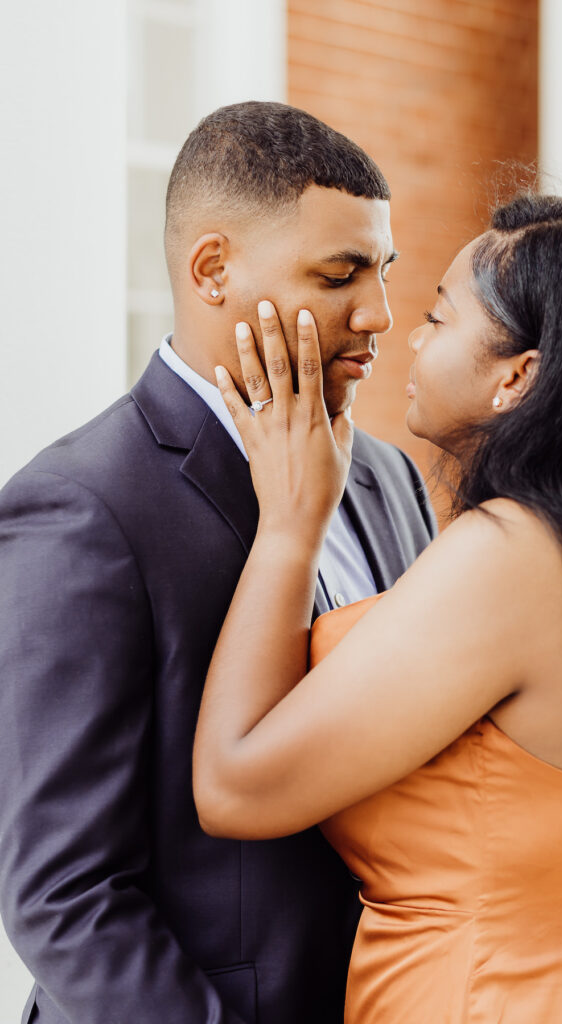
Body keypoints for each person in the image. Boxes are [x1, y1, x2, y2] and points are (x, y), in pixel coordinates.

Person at [193, 193, 562, 1023]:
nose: (405, 337)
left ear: (518, 375)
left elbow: (235, 787)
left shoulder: (514, 554)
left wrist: (288, 525)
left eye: (437, 316)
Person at [0, 102, 436, 1024]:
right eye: (339, 273)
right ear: (212, 271)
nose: (380, 313)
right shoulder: (82, 508)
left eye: (384, 271)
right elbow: (64, 894)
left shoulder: (390, 477)